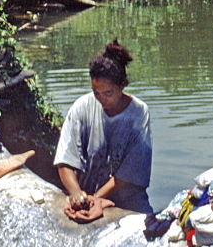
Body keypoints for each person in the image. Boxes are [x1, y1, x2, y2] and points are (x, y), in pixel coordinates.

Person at [54, 39, 152, 215]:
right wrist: (76, 193)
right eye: (96, 93)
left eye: (108, 93)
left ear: (122, 85)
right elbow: (65, 160)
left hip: (127, 200)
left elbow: (128, 174)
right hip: (87, 193)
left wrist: (96, 199)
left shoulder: (139, 113)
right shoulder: (82, 106)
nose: (102, 99)